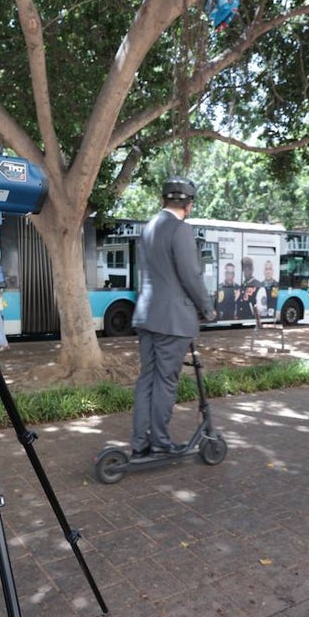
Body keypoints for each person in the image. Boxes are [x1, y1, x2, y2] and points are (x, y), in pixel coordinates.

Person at [130, 176, 216, 457]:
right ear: (189, 205)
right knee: (165, 381)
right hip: (173, 320)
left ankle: (140, 441)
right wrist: (207, 309)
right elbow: (190, 275)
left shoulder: (148, 228)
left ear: (162, 200)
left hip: (146, 315)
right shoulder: (180, 230)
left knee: (147, 379)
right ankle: (160, 441)